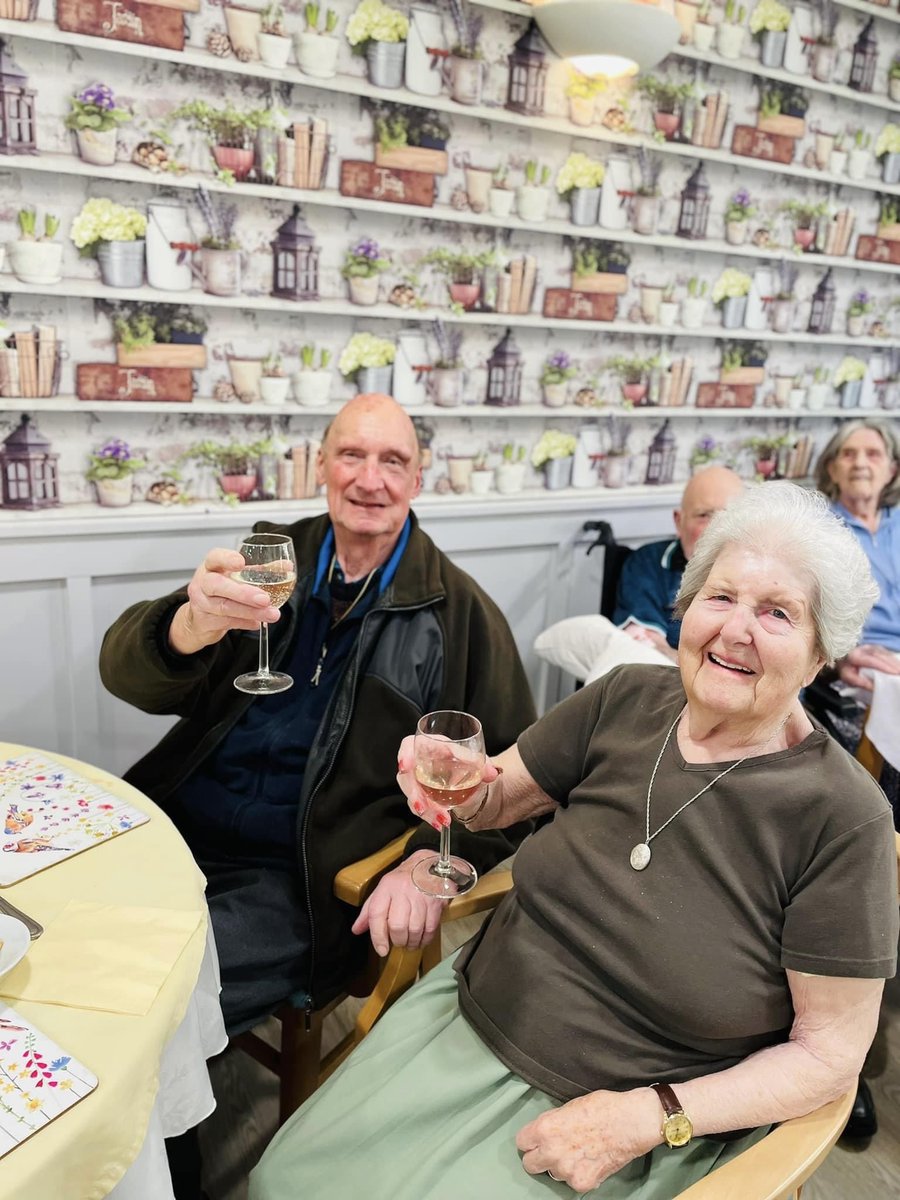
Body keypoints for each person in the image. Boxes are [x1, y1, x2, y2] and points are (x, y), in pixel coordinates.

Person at [249, 482, 898, 1200]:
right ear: (686, 610)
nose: (735, 629)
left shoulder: (843, 817)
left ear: (819, 654)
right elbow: (497, 797)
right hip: (472, 1015)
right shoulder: (626, 698)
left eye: (777, 612)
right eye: (720, 597)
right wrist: (461, 785)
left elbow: (830, 1054)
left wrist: (652, 1119)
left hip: (629, 1111)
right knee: (284, 1180)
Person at [99, 394, 536, 1193]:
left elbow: (515, 786)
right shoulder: (268, 564)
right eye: (351, 455)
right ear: (321, 464)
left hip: (299, 880)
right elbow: (124, 673)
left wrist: (417, 863)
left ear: (418, 477)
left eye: (392, 461)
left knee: (138, 1000)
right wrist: (185, 627)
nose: (369, 479)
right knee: (74, 939)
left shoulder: (462, 614)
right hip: (181, 826)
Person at [613, 465, 743, 661]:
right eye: (703, 515)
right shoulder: (649, 563)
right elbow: (642, 644)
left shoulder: (768, 574)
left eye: (728, 516)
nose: (716, 527)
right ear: (679, 521)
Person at [814, 420, 900, 693]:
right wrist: (842, 657)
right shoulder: (819, 530)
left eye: (873, 454)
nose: (860, 463)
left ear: (892, 471)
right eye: (848, 454)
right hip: (866, 659)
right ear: (832, 469)